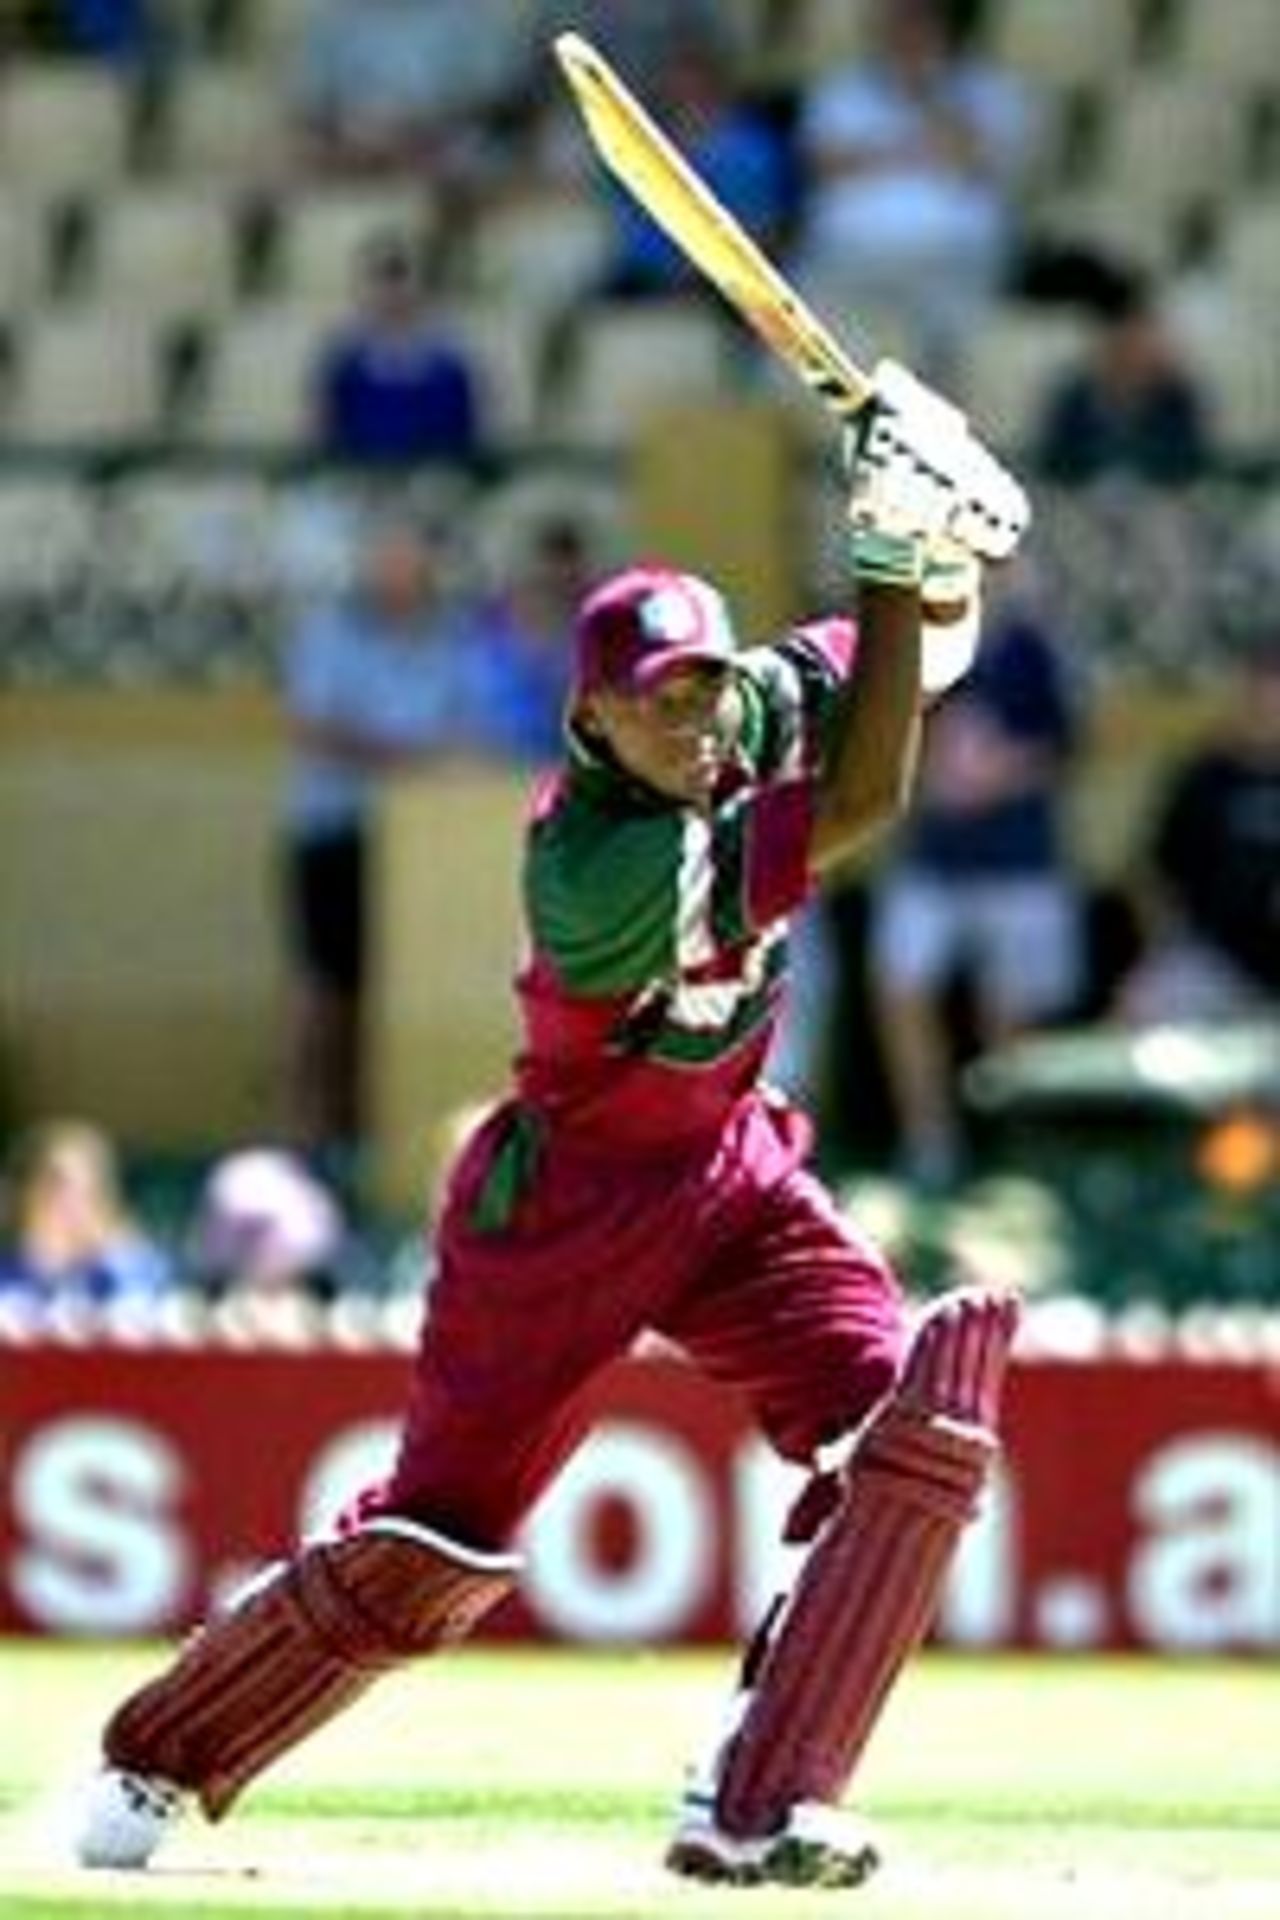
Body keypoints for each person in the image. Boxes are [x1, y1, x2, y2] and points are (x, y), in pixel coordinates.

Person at [70, 355, 1029, 1888]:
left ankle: (758, 1798)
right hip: (566, 1209)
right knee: (435, 1545)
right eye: (662, 708)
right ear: (590, 716)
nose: (701, 725)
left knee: (910, 1432)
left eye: (713, 690)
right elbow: (858, 805)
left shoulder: (741, 711)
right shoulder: (594, 866)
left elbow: (914, 661)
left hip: (730, 1173)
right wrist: (896, 554)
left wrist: (954, 528)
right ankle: (154, 1757)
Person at [867, 557, 1083, 1189]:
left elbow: (1067, 747)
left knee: (1009, 1012)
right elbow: (878, 730)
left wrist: (999, 772)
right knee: (901, 986)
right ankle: (928, 1141)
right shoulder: (915, 644)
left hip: (1018, 864)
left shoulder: (1036, 649)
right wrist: (929, 765)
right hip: (931, 860)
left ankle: (1014, 1149)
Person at [280, 508, 480, 1159]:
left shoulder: (449, 636)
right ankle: (307, 1136)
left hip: (418, 847)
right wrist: (409, 762)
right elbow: (315, 728)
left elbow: (464, 727)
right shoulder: (328, 632)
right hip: (334, 832)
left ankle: (365, 1136)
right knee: (322, 990)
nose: (398, 572)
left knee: (385, 990)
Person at [790, 0, 1036, 380]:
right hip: (850, 253)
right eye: (900, 25)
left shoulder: (989, 91)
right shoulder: (842, 91)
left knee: (955, 348)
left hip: (951, 254)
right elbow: (825, 166)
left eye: (920, 25)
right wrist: (921, 149)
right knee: (802, 317)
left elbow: (980, 163)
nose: (909, 37)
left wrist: (930, 95)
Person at [1115, 632, 1280, 1024]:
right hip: (1214, 955)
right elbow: (1155, 870)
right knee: (1139, 1007)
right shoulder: (1207, 777)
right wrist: (1164, 940)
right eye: (1266, 694)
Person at [314, 233, 486, 469]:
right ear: (361, 287)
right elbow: (325, 432)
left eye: (398, 276)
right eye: (379, 278)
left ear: (421, 283)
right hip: (360, 475)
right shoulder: (342, 357)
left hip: (435, 476)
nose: (390, 290)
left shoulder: (450, 356)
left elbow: (465, 432)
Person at [1036, 268, 1213, 488]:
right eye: (1122, 342)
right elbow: (1055, 467)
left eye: (1138, 343)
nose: (1130, 353)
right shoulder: (1074, 399)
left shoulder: (1177, 401)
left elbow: (1189, 470)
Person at [0, 1119, 171, 1332]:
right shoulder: (6, 1274)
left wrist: (121, 1247)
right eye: (59, 1185)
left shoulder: (113, 1271)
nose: (81, 1204)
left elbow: (152, 1300)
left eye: (96, 1191)